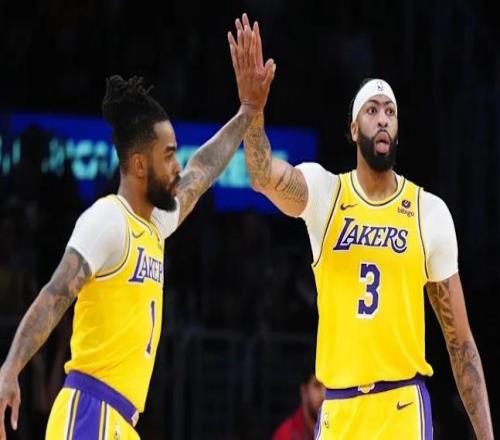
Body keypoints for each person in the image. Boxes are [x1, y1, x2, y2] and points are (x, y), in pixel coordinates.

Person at [0, 20, 275, 439]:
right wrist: (10, 368)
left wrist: (247, 113)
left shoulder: (154, 225)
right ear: (140, 164)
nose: (177, 166)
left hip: (121, 420)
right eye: (168, 156)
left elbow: (201, 171)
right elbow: (54, 296)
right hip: (90, 411)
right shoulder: (107, 219)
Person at [228, 14, 494, 439]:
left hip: (401, 405)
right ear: (354, 129)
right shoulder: (326, 193)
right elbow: (261, 176)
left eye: (390, 111)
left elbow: (461, 345)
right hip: (339, 409)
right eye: (372, 110)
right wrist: (253, 110)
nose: (383, 118)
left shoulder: (428, 212)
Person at [272, 367, 325, 440]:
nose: (324, 394)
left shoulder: (339, 428)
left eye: (328, 387)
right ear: (304, 392)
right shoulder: (286, 435)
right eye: (317, 385)